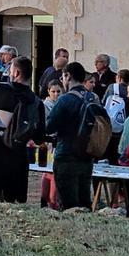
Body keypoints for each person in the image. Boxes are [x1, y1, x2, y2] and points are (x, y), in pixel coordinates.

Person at [0, 56, 41, 203]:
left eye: (10, 70)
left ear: (16, 73)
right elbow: (39, 136)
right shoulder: (36, 101)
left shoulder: (0, 89)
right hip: (18, 158)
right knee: (13, 207)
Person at [44, 61, 96, 209]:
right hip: (87, 157)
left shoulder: (65, 100)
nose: (63, 81)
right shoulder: (92, 98)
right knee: (84, 201)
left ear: (68, 76)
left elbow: (49, 127)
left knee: (69, 205)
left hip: (66, 156)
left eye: (63, 77)